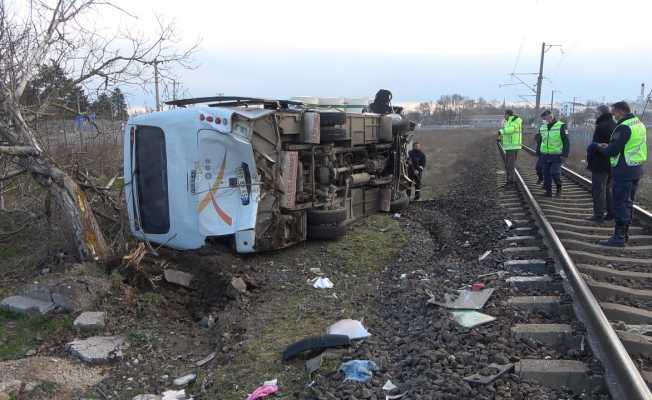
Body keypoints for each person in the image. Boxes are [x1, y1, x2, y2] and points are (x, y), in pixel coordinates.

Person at [595, 101, 647, 247]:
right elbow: (628, 145)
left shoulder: (624, 127)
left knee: (620, 202)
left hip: (623, 170)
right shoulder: (639, 124)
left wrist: (600, 147)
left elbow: (612, 151)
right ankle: (624, 234)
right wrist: (611, 146)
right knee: (628, 202)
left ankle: (618, 237)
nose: (614, 116)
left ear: (620, 111)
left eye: (614, 113)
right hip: (635, 168)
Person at [586, 105, 616, 222]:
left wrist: (592, 147)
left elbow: (598, 145)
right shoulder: (614, 125)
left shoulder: (602, 126)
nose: (595, 114)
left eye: (596, 112)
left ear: (600, 113)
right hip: (611, 162)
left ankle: (598, 215)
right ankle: (610, 213)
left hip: (600, 162)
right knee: (608, 188)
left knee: (598, 190)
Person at [538, 110, 570, 197]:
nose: (545, 120)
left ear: (551, 116)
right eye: (544, 119)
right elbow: (541, 140)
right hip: (545, 154)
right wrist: (539, 152)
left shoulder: (561, 126)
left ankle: (559, 187)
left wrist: (565, 154)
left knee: (554, 172)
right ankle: (548, 192)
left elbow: (566, 141)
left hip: (556, 154)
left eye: (546, 118)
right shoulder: (542, 127)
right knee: (546, 174)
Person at [497, 110, 523, 186]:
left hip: (513, 146)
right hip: (509, 146)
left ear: (508, 114)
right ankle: (510, 181)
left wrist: (501, 131)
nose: (504, 116)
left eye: (505, 114)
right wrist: (500, 136)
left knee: (510, 165)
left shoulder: (515, 121)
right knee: (508, 165)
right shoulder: (508, 121)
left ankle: (511, 182)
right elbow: (506, 131)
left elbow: (510, 130)